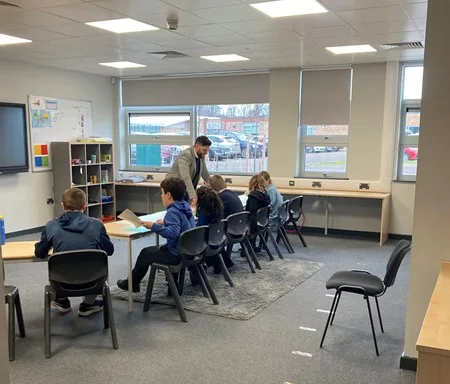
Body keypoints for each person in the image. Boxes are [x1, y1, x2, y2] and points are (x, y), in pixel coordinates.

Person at [35, 187, 114, 317]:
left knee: (57, 264)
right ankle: (89, 304)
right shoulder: (97, 225)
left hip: (62, 283)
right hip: (93, 282)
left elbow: (40, 253)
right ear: (85, 206)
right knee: (93, 265)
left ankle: (61, 301)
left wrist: (40, 245)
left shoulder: (52, 226)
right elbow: (109, 251)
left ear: (62, 205)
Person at [117, 178, 195, 293]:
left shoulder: (172, 211)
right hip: (188, 250)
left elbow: (172, 233)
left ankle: (133, 283)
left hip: (176, 254)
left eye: (162, 193)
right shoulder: (185, 207)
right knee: (161, 248)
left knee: (145, 253)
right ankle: (172, 286)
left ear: (168, 195)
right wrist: (165, 222)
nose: (161, 196)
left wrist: (154, 226)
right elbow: (183, 224)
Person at [166, 136, 212, 206]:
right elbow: (185, 176)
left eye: (207, 151)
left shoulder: (200, 156)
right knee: (177, 211)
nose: (206, 153)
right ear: (197, 146)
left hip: (185, 187)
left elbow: (205, 173)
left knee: (186, 209)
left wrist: (214, 187)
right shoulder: (186, 155)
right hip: (174, 188)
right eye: (204, 150)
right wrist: (193, 196)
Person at [244, 174, 270, 254]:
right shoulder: (266, 196)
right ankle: (252, 246)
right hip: (262, 223)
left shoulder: (253, 197)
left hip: (253, 226)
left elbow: (251, 214)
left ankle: (246, 249)